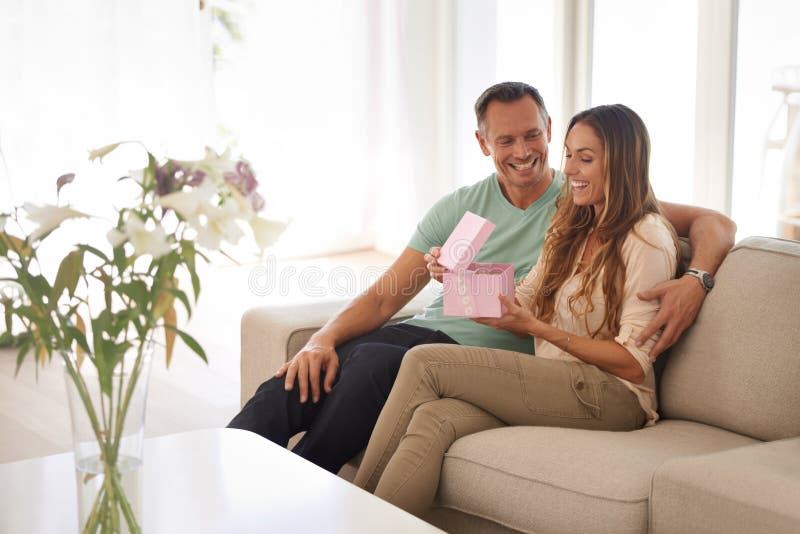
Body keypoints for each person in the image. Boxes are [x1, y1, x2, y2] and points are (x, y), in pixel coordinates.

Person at [227, 83, 736, 474]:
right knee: (305, 375)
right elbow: (386, 298)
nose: (522, 151)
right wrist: (322, 339)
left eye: (533, 134)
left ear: (549, 128)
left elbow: (716, 223)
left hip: (496, 361)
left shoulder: (583, 197)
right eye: (506, 139)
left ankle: (300, 483)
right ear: (482, 142)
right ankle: (221, 474)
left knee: (375, 362)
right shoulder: (460, 207)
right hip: (424, 333)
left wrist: (697, 278)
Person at [353, 103, 679, 516]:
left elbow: (634, 363)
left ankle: (353, 514)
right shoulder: (572, 226)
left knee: (425, 362)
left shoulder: (647, 239)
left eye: (587, 158)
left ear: (623, 163)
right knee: (433, 420)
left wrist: (539, 329)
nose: (571, 170)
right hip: (557, 381)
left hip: (615, 396)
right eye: (569, 154)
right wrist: (456, 278)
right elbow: (519, 302)